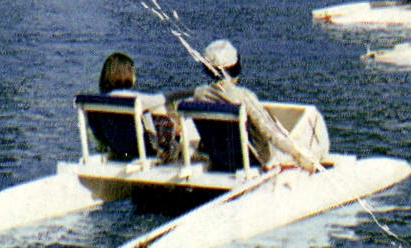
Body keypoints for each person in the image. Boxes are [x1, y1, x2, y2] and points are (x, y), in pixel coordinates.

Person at [191, 39, 327, 172]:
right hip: (252, 160)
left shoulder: (199, 94)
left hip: (221, 158)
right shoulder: (244, 96)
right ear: (236, 66)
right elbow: (269, 131)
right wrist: (298, 155)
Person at [97, 51, 179, 161]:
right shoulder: (133, 99)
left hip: (117, 147)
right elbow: (162, 99)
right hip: (138, 148)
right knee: (161, 113)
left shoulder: (101, 100)